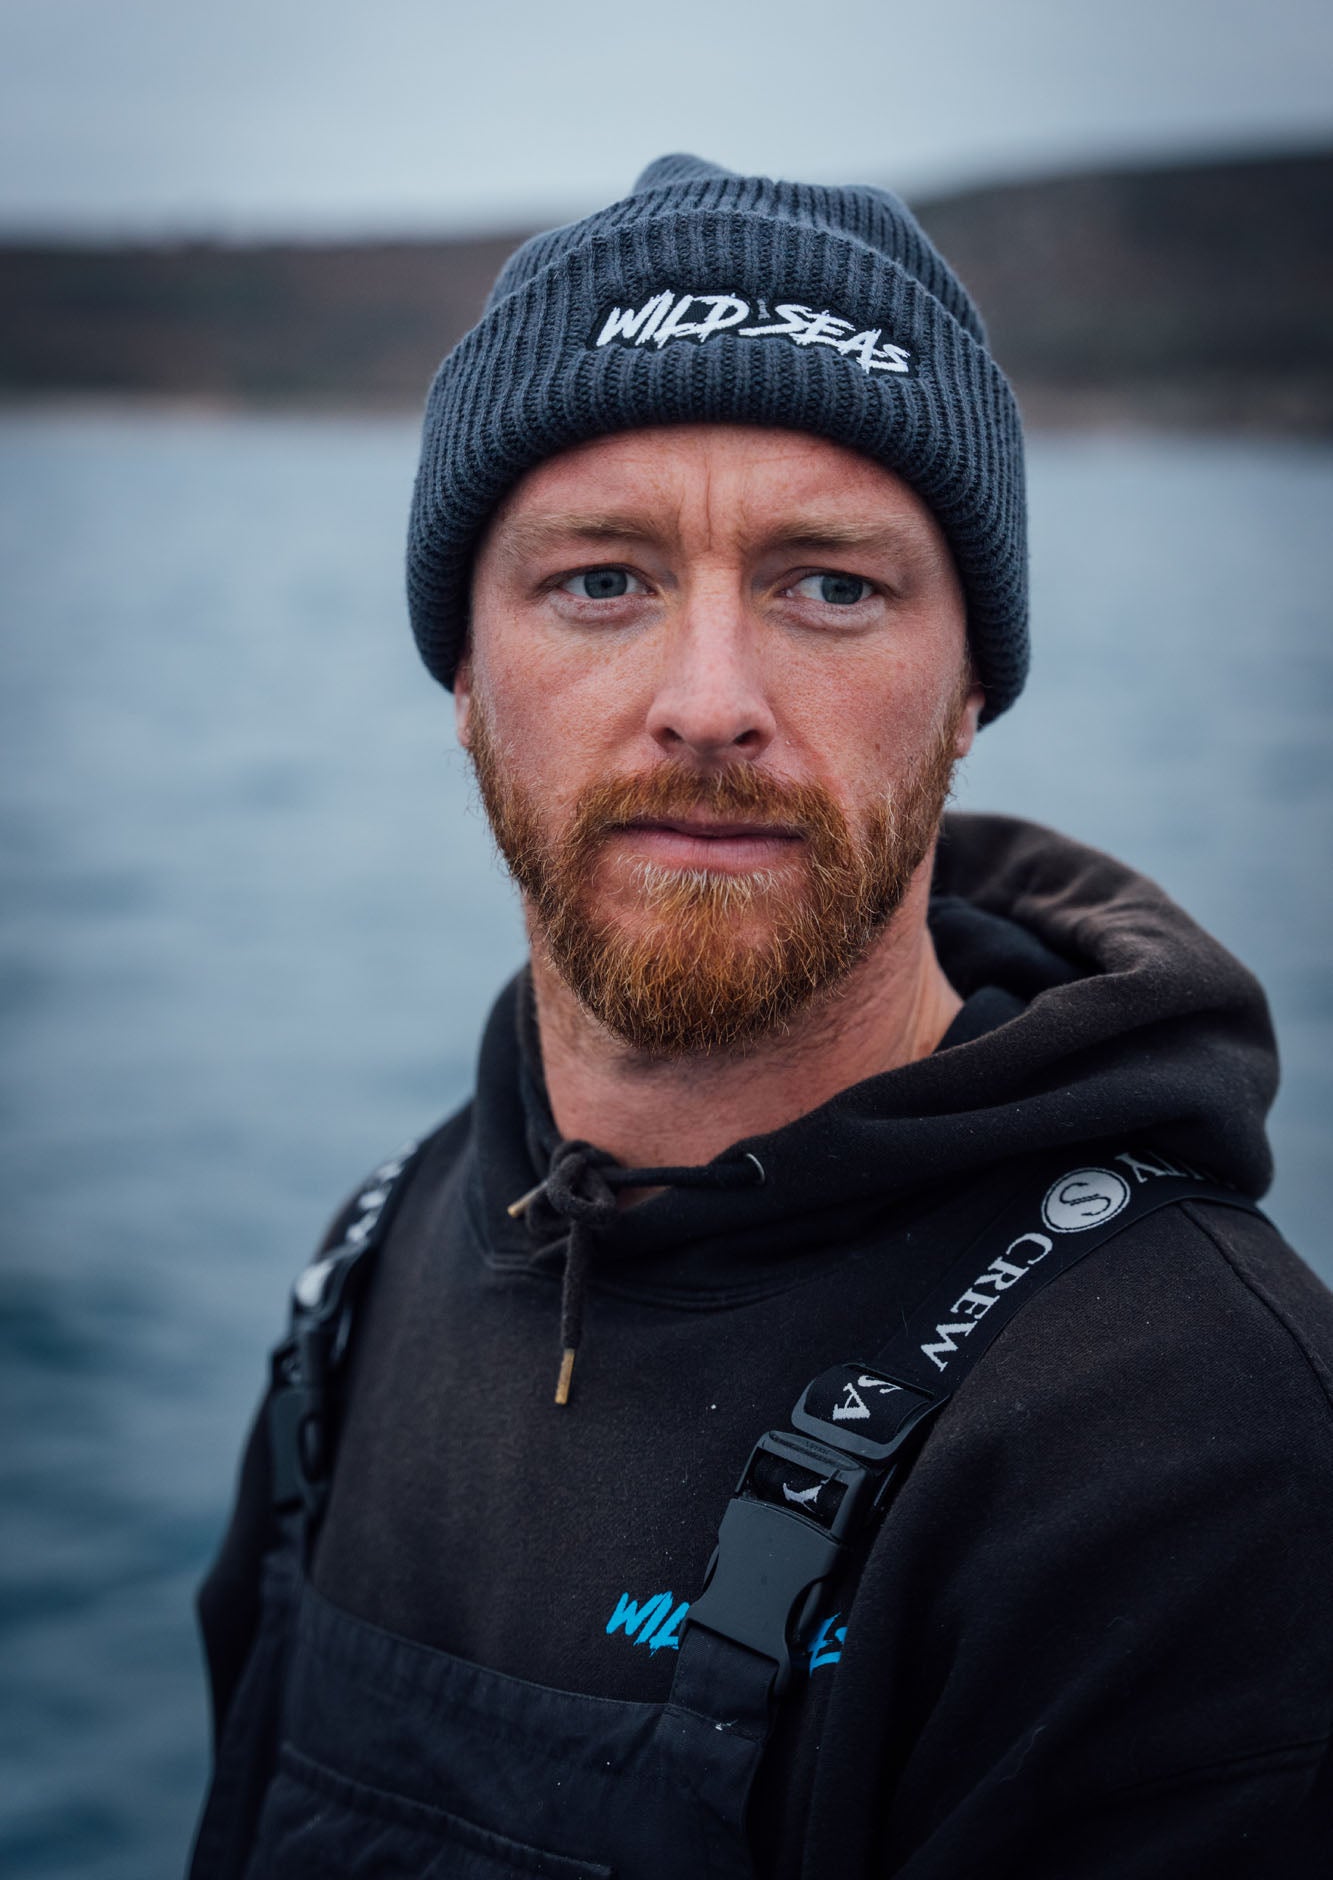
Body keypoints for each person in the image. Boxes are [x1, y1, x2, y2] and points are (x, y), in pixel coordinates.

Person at [188, 156, 1333, 1879]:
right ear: (462, 683)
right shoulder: (379, 1256)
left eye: (830, 587)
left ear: (966, 699)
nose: (709, 704)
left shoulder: (1189, 1446)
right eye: (599, 581)